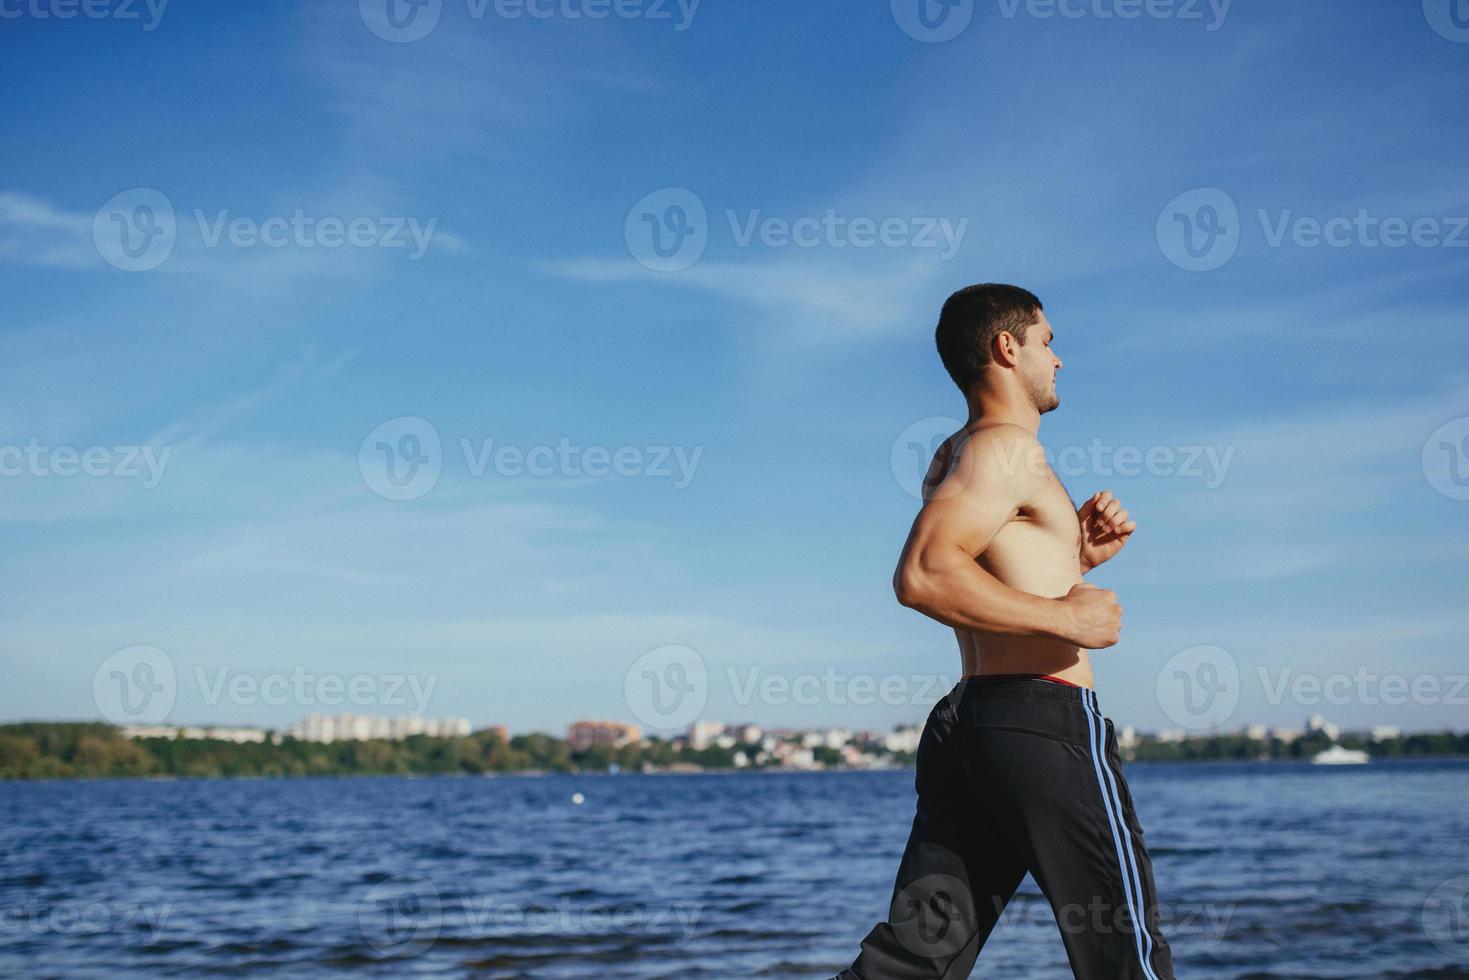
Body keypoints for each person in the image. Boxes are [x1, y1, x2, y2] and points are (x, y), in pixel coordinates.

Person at [834, 284, 1176, 979]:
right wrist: (1065, 616)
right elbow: (925, 574)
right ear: (1005, 348)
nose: (1059, 358)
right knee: (1124, 953)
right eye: (1047, 341)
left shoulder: (962, 451)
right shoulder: (1005, 451)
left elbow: (980, 567)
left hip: (977, 731)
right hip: (1042, 720)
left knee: (910, 964)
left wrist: (1074, 557)